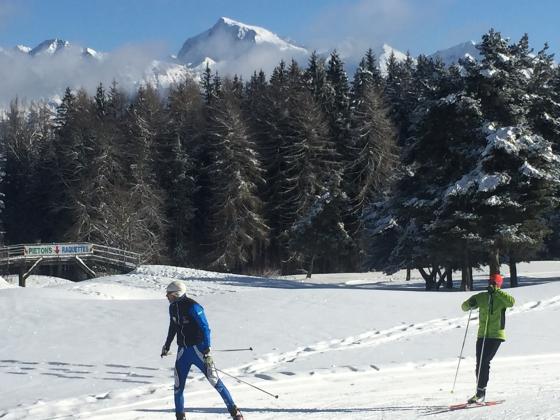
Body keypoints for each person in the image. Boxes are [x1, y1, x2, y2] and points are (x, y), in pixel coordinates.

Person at [161, 280, 244, 420]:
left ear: (176, 294)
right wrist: (167, 345)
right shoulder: (172, 307)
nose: (166, 296)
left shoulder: (193, 306)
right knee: (177, 386)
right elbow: (173, 327)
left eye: (168, 294)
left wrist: (207, 348)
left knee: (214, 380)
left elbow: (205, 327)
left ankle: (235, 412)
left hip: (199, 350)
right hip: (183, 352)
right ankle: (180, 416)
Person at [461, 273, 515, 403]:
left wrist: (496, 292)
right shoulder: (482, 297)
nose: (492, 285)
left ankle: (480, 393)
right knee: (480, 364)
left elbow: (511, 302)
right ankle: (480, 393)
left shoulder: (502, 298)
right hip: (482, 335)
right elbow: (464, 307)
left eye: (495, 283)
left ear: (499, 285)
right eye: (491, 282)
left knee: (485, 361)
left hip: (496, 335)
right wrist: (470, 303)